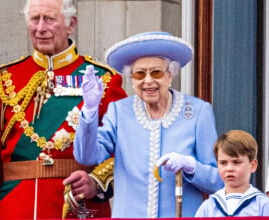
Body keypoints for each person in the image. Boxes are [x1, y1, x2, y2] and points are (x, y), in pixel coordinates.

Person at [0, 0, 127, 220]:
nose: (40, 28)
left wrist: (96, 182)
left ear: (71, 24)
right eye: (34, 19)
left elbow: (127, 146)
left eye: (49, 19)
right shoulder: (4, 78)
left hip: (76, 207)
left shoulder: (103, 79)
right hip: (14, 206)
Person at [73, 31, 223, 218]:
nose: (148, 80)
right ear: (132, 78)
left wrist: (192, 166)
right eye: (139, 74)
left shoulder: (198, 112)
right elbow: (87, 156)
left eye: (156, 72)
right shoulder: (119, 112)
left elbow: (220, 181)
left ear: (170, 75)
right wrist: (89, 110)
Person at [195, 129, 269, 217]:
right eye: (223, 163)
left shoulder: (262, 205)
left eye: (236, 162)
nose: (229, 169)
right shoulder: (208, 207)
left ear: (252, 165)